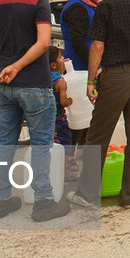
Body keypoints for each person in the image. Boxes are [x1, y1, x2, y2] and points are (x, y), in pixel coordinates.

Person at [0, 0, 69, 222]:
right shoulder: (37, 0)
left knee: (6, 140)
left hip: (4, 87)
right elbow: (44, 42)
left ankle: (1, 199)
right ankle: (43, 202)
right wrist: (18, 66)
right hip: (34, 84)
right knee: (42, 143)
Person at [66, 0, 130, 210]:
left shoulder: (106, 8)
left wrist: (92, 80)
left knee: (97, 135)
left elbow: (97, 46)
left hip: (116, 76)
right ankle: (129, 197)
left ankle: (86, 194)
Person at [60, 0, 102, 71]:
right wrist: (93, 67)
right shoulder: (77, 7)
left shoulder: (86, 4)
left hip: (87, 65)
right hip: (81, 66)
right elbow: (77, 40)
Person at [48, 46, 76, 180]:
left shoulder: (44, 78)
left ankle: (51, 171)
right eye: (60, 57)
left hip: (47, 119)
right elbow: (64, 101)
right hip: (60, 120)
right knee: (65, 144)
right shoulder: (60, 82)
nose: (63, 59)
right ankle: (66, 173)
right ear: (53, 65)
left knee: (51, 146)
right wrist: (71, 100)